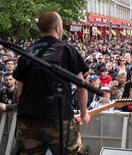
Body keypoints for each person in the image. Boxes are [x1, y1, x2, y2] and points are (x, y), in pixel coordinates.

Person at [13, 12, 90, 154]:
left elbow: (19, 93)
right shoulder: (67, 50)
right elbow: (82, 87)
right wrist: (84, 113)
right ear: (57, 28)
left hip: (28, 120)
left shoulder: (27, 52)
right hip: (60, 120)